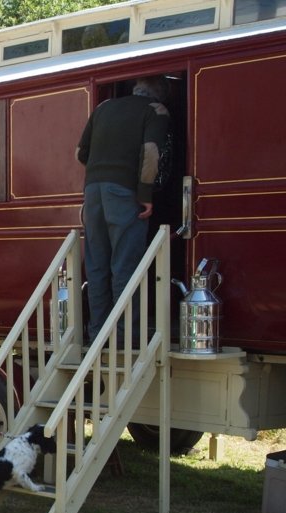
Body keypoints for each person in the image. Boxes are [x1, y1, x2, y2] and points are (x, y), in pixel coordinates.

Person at [76, 75, 171, 345]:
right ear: (158, 95)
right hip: (125, 192)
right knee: (125, 264)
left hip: (93, 192)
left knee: (96, 265)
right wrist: (145, 194)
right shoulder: (156, 110)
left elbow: (80, 153)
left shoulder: (102, 108)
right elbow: (151, 153)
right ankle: (125, 337)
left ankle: (98, 334)